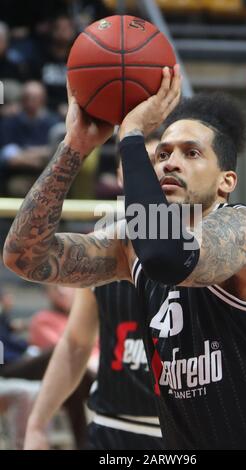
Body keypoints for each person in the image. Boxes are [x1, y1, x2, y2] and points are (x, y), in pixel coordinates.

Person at [3, 66, 246, 449]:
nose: (170, 162)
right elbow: (23, 257)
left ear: (227, 181)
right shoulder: (131, 246)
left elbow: (171, 257)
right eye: (162, 154)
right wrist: (74, 146)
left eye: (191, 153)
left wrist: (131, 134)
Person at [24, 136, 164, 450]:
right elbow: (75, 343)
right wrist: (37, 423)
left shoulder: (203, 248)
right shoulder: (102, 246)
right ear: (119, 176)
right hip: (114, 425)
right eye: (137, 163)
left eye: (158, 159)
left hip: (184, 431)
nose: (149, 170)